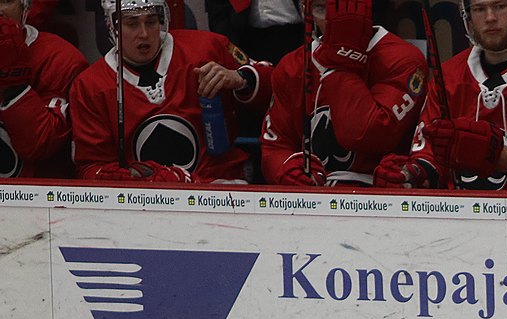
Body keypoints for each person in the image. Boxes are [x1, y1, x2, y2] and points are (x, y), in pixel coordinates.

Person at [374, 0, 507, 191]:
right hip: (458, 216)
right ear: (467, 16)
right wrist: (410, 174)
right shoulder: (447, 76)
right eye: (479, 9)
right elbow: (428, 154)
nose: (490, 17)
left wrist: (499, 156)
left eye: (500, 6)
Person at [70, 0, 270, 183]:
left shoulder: (207, 49)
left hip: (222, 187)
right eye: (132, 24)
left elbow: (278, 84)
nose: (144, 34)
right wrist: (137, 179)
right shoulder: (90, 87)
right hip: (144, 202)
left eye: (151, 22)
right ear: (112, 26)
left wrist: (241, 79)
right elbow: (91, 168)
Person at [259, 0, 425, 186]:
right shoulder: (291, 66)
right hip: (313, 198)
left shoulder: (404, 59)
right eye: (321, 8)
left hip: (380, 196)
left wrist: (341, 65)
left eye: (341, 7)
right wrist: (287, 167)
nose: (333, 19)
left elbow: (367, 135)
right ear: (307, 12)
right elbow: (275, 146)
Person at [0, 0, 87, 178]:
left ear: (25, 6)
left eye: (6, 1)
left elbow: (40, 144)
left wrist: (14, 85)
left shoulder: (61, 60)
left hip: (37, 200)